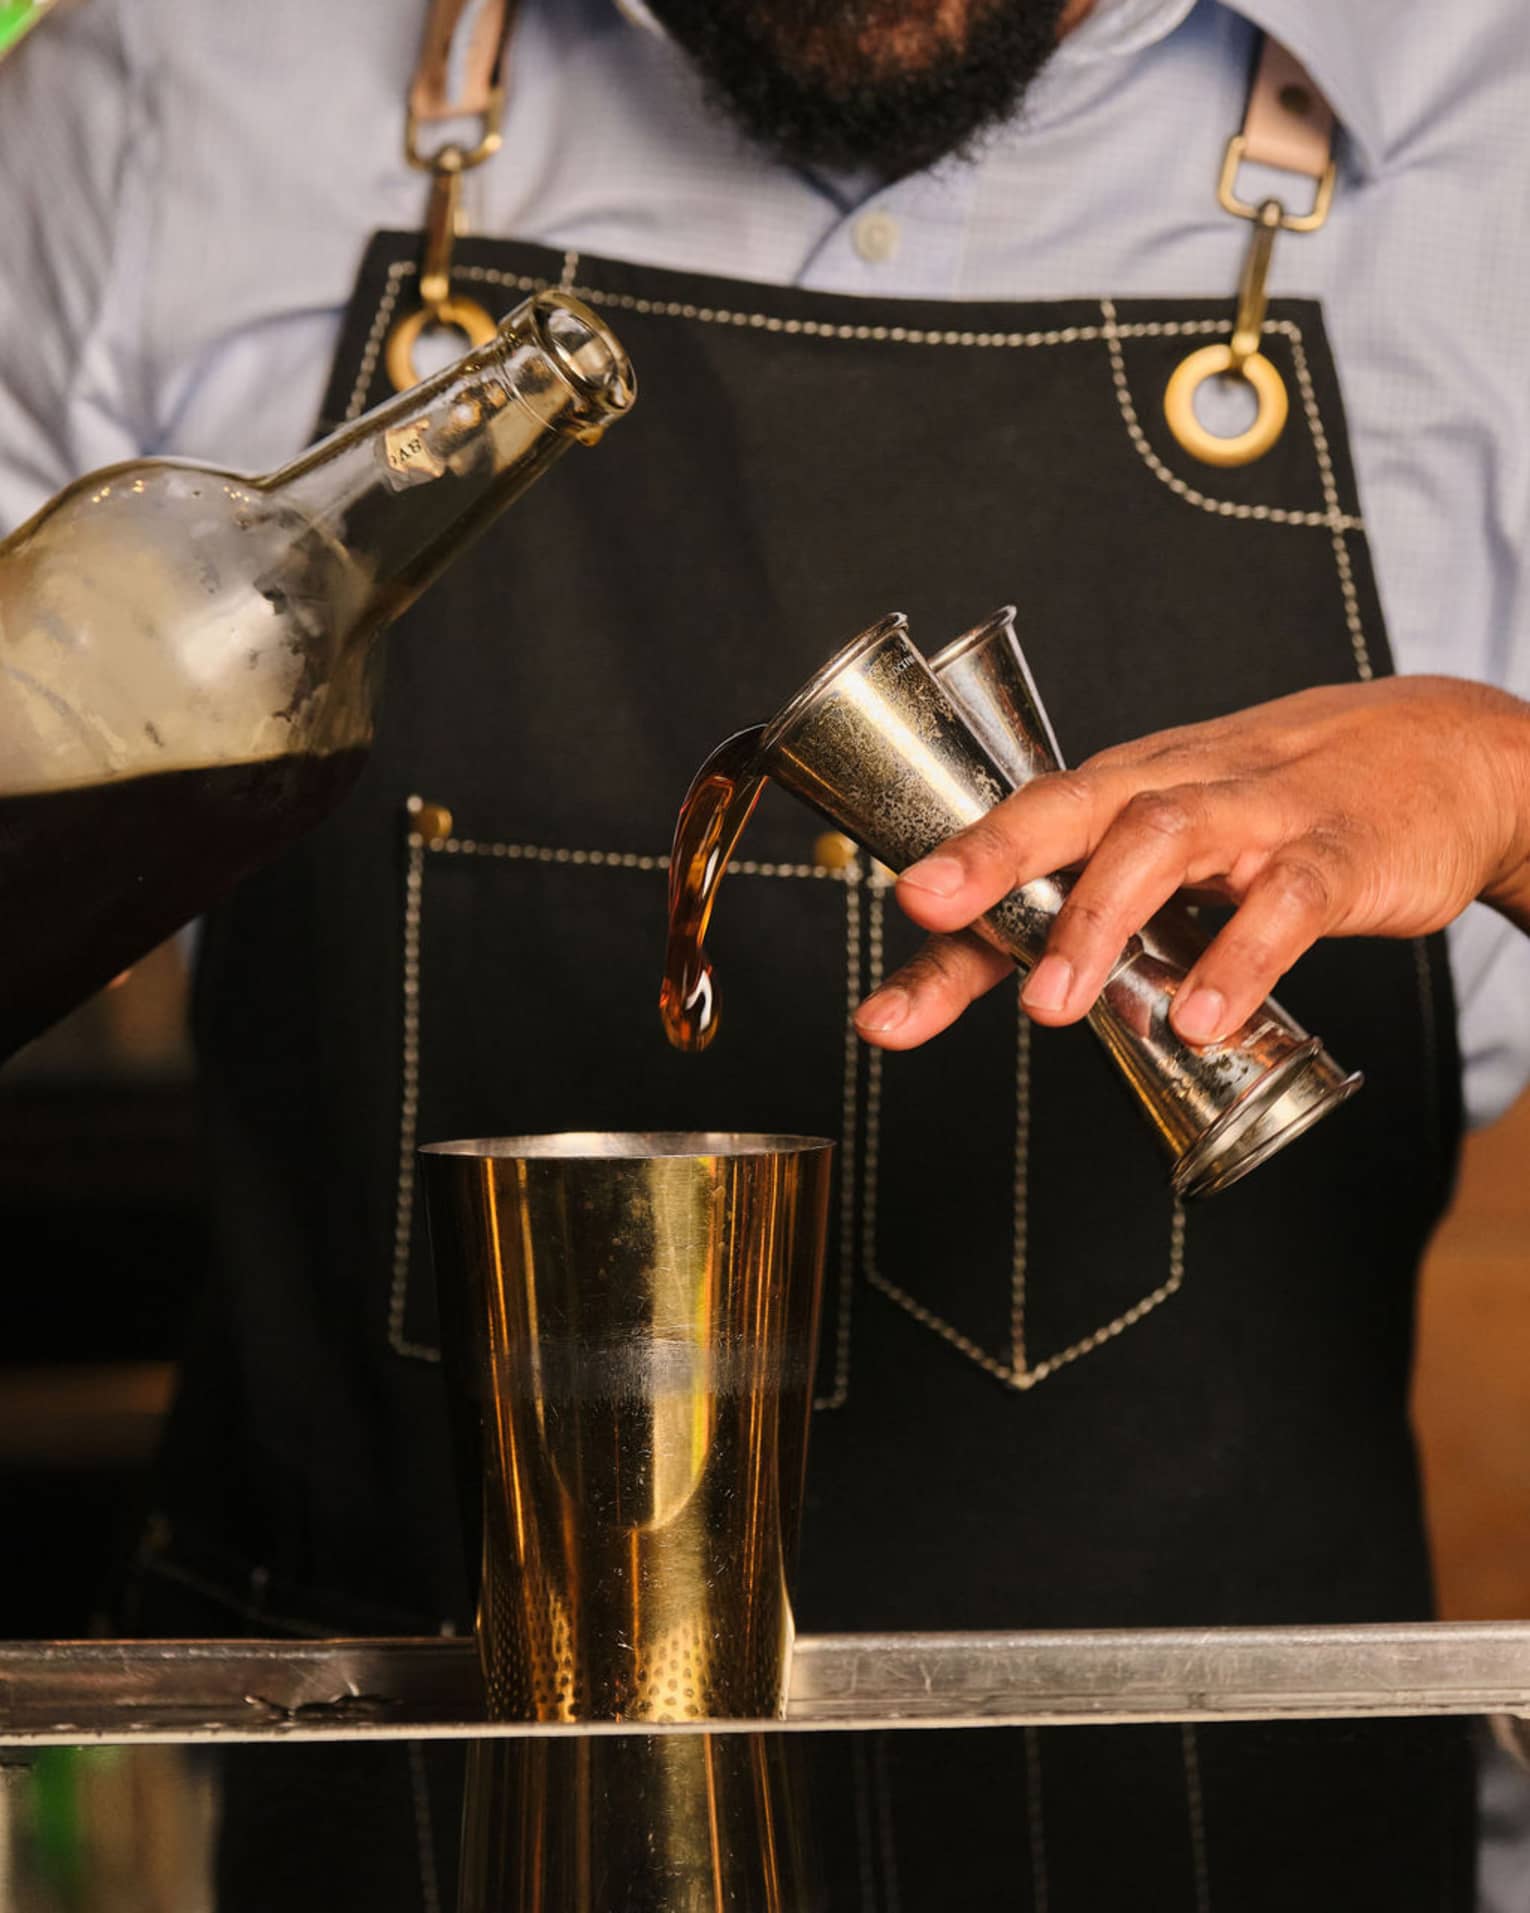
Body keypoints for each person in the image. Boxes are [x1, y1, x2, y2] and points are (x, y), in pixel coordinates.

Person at [3, 0, 1530, 1905]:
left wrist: (1509, 783)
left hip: (1224, 1829)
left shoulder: (1494, 125)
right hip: (387, 1821)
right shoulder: (171, 85)